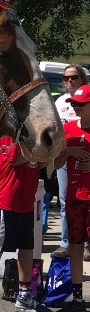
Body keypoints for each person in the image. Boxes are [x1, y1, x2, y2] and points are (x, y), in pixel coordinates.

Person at [0, 135, 50, 312]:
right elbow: (15, 159)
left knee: (27, 248)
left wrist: (49, 150)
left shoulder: (34, 139)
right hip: (5, 202)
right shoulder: (10, 137)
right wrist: (39, 150)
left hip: (25, 202)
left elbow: (43, 163)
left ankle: (24, 295)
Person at [52, 82, 90, 312]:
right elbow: (56, 164)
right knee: (75, 247)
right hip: (75, 198)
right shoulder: (68, 130)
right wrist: (67, 151)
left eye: (81, 104)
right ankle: (77, 298)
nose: (75, 107)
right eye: (73, 103)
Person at [52, 63, 89, 259]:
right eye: (66, 78)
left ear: (82, 79)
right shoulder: (60, 102)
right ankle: (67, 242)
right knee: (65, 199)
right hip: (67, 155)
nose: (69, 81)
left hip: (86, 154)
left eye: (73, 77)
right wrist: (65, 151)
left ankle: (86, 244)